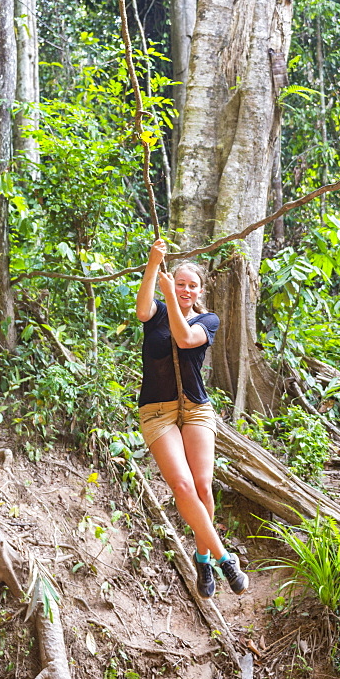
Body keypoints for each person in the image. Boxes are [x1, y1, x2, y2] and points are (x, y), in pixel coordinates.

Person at [135, 238, 249, 600]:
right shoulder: (154, 312)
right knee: (183, 488)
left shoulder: (207, 320)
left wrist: (170, 296)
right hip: (157, 412)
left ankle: (203, 557)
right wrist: (154, 263)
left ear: (199, 291)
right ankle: (224, 558)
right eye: (179, 283)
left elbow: (184, 339)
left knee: (203, 488)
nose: (184, 289)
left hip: (196, 409)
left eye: (191, 285)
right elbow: (141, 309)